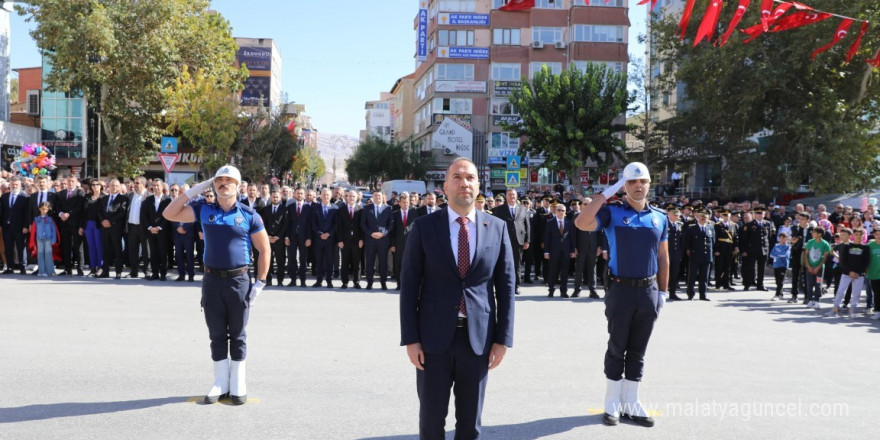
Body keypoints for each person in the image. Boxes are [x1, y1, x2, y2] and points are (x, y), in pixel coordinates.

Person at [399, 157, 515, 440]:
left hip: (478, 342)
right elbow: (409, 284)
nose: (464, 183)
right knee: (430, 422)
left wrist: (503, 339)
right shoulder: (425, 227)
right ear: (445, 187)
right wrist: (411, 339)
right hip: (432, 341)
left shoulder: (497, 228)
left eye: (470, 178)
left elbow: (506, 285)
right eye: (457, 177)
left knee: (469, 426)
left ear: (478, 185)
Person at [163, 165, 270, 405]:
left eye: (228, 180)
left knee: (238, 334)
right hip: (211, 280)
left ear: (238, 185)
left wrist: (260, 284)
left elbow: (264, 249)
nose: (223, 183)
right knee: (217, 334)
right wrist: (196, 189)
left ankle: (238, 382)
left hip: (239, 280)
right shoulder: (203, 209)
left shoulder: (249, 214)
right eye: (219, 180)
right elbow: (170, 214)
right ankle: (220, 381)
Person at [575, 161, 668, 427]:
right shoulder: (612, 213)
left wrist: (663, 291)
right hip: (620, 289)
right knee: (617, 346)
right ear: (624, 186)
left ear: (650, 184)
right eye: (632, 182)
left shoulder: (659, 217)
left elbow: (664, 257)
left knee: (638, 349)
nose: (639, 186)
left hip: (648, 290)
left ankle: (632, 400)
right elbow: (582, 222)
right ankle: (612, 401)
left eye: (643, 182)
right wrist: (605, 194)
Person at [493, 188, 531, 295]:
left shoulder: (523, 209)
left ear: (517, 196)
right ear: (506, 196)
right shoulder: (500, 209)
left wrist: (527, 240)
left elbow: (527, 225)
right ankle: (503, 285)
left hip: (518, 241)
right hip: (504, 241)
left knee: (517, 264)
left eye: (514, 195)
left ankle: (516, 285)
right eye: (510, 195)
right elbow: (496, 226)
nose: (512, 196)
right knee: (503, 264)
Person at [826, 227, 870, 318]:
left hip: (859, 274)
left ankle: (852, 311)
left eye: (860, 235)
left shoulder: (865, 247)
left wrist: (858, 272)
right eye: (856, 234)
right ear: (853, 235)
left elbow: (866, 261)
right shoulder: (847, 246)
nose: (858, 236)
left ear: (863, 236)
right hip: (847, 273)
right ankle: (834, 310)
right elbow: (843, 261)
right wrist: (850, 271)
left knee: (856, 293)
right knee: (840, 291)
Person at [361, 190, 393, 290]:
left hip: (383, 240)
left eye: (379, 196)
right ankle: (369, 282)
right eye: (375, 195)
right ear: (372, 197)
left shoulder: (388, 208)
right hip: (370, 239)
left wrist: (383, 233)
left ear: (382, 197)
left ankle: (383, 283)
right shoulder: (366, 208)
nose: (377, 197)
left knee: (383, 262)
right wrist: (371, 233)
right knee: (369, 262)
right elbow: (363, 223)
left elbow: (391, 223)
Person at [544, 202, 576, 298]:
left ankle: (563, 291)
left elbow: (572, 238)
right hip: (553, 251)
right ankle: (551, 290)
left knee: (565, 272)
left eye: (563, 210)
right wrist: (546, 251)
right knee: (553, 271)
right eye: (559, 210)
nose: (561, 212)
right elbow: (547, 238)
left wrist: (572, 251)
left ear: (565, 212)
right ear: (555, 211)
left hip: (565, 252)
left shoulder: (569, 223)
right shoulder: (550, 222)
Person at [98, 179, 129, 279]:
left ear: (119, 187)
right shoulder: (103, 198)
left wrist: (110, 221)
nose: (114, 187)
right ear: (108, 186)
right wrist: (103, 221)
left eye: (116, 186)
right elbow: (99, 212)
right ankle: (105, 271)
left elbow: (121, 213)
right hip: (104, 228)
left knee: (117, 249)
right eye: (112, 185)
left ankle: (118, 271)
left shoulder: (123, 199)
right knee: (105, 249)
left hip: (116, 228)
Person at [57, 175, 86, 276]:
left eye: (72, 181)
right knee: (66, 246)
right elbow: (57, 206)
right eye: (68, 181)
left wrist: (68, 214)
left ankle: (80, 269)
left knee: (78, 247)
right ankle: (67, 268)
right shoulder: (61, 193)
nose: (70, 183)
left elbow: (80, 207)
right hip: (64, 223)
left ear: (76, 182)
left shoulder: (80, 193)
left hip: (76, 223)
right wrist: (61, 214)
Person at [143, 179, 171, 281]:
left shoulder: (167, 200)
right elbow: (144, 215)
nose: (156, 187)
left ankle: (163, 273)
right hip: (151, 231)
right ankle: (155, 273)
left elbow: (167, 216)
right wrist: (150, 227)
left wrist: (159, 227)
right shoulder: (148, 200)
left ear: (162, 187)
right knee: (153, 253)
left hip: (162, 231)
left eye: (158, 185)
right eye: (154, 186)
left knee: (163, 252)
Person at [1, 177, 30, 274]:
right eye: (12, 184)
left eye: (16, 184)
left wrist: (26, 226)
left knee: (21, 247)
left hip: (20, 227)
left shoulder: (25, 197)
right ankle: (10, 267)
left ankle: (23, 267)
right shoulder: (4, 197)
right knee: (8, 247)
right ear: (10, 185)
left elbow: (27, 213)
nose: (14, 186)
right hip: (7, 227)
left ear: (20, 185)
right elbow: (2, 212)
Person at [260, 188, 288, 286]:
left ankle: (280, 281)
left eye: (277, 197)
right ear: (270, 197)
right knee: (268, 261)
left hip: (279, 240)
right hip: (267, 239)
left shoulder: (284, 210)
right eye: (273, 197)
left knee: (280, 261)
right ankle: (268, 280)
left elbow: (285, 224)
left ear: (280, 197)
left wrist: (278, 236)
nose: (275, 198)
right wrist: (268, 236)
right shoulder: (265, 210)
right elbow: (263, 224)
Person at [285, 188, 313, 287]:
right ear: (294, 194)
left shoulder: (308, 208)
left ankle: (302, 280)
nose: (300, 195)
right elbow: (287, 223)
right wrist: (286, 237)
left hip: (304, 237)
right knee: (292, 259)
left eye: (301, 193)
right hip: (292, 237)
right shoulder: (290, 207)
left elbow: (310, 224)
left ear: (304, 195)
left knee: (303, 259)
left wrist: (309, 238)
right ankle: (293, 280)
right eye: (298, 193)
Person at [684, 208, 714, 301]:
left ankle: (703, 295)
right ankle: (690, 294)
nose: (703, 218)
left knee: (704, 277)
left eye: (705, 216)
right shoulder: (692, 228)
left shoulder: (710, 228)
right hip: (695, 255)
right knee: (692, 276)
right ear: (697, 216)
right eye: (701, 216)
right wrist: (688, 250)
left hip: (707, 256)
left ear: (708, 217)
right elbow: (686, 241)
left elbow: (713, 241)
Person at [311, 187, 339, 288]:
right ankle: (319, 280)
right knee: (318, 260)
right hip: (318, 239)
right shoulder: (315, 208)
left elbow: (336, 224)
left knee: (329, 260)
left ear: (330, 196)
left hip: (330, 239)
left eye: (328, 195)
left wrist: (329, 234)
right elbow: (313, 223)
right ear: (321, 196)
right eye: (324, 195)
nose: (326, 196)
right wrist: (319, 234)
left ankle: (329, 281)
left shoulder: (335, 208)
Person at [337, 189, 363, 289]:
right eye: (350, 196)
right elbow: (339, 227)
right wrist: (339, 240)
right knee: (345, 262)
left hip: (357, 240)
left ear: (357, 198)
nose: (351, 198)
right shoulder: (341, 210)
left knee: (357, 262)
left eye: (354, 196)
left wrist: (361, 239)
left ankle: (356, 281)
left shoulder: (361, 210)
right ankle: (345, 282)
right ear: (346, 197)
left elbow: (362, 226)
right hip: (345, 240)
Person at [391, 191, 416, 289]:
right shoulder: (395, 214)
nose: (405, 204)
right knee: (398, 264)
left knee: (410, 265)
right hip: (398, 244)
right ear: (400, 203)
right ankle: (399, 284)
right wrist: (392, 244)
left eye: (407, 202)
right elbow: (392, 231)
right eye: (403, 202)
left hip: (411, 244)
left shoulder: (414, 212)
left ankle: (409, 285)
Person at [803, 227, 831, 310]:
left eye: (814, 232)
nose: (812, 233)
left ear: (819, 234)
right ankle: (810, 300)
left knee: (818, 284)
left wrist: (818, 267)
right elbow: (806, 254)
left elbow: (825, 257)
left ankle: (817, 300)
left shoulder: (825, 244)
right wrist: (808, 266)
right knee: (809, 284)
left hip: (819, 268)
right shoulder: (810, 242)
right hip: (810, 267)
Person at [31, 201, 58, 276]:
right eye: (42, 209)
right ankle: (41, 271)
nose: (44, 211)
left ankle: (50, 271)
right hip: (39, 239)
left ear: (48, 209)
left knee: (48, 254)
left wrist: (53, 240)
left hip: (48, 240)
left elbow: (54, 230)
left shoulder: (50, 219)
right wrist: (33, 241)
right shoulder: (36, 219)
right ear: (39, 209)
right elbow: (34, 231)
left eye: (46, 209)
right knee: (40, 254)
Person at [770, 233, 791, 300]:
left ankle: (777, 294)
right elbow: (771, 254)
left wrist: (778, 254)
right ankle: (781, 293)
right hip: (776, 265)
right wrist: (778, 255)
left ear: (786, 239)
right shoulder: (776, 246)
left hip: (783, 265)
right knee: (777, 281)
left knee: (781, 280)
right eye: (781, 238)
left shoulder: (788, 247)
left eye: (783, 238)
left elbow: (785, 255)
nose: (782, 240)